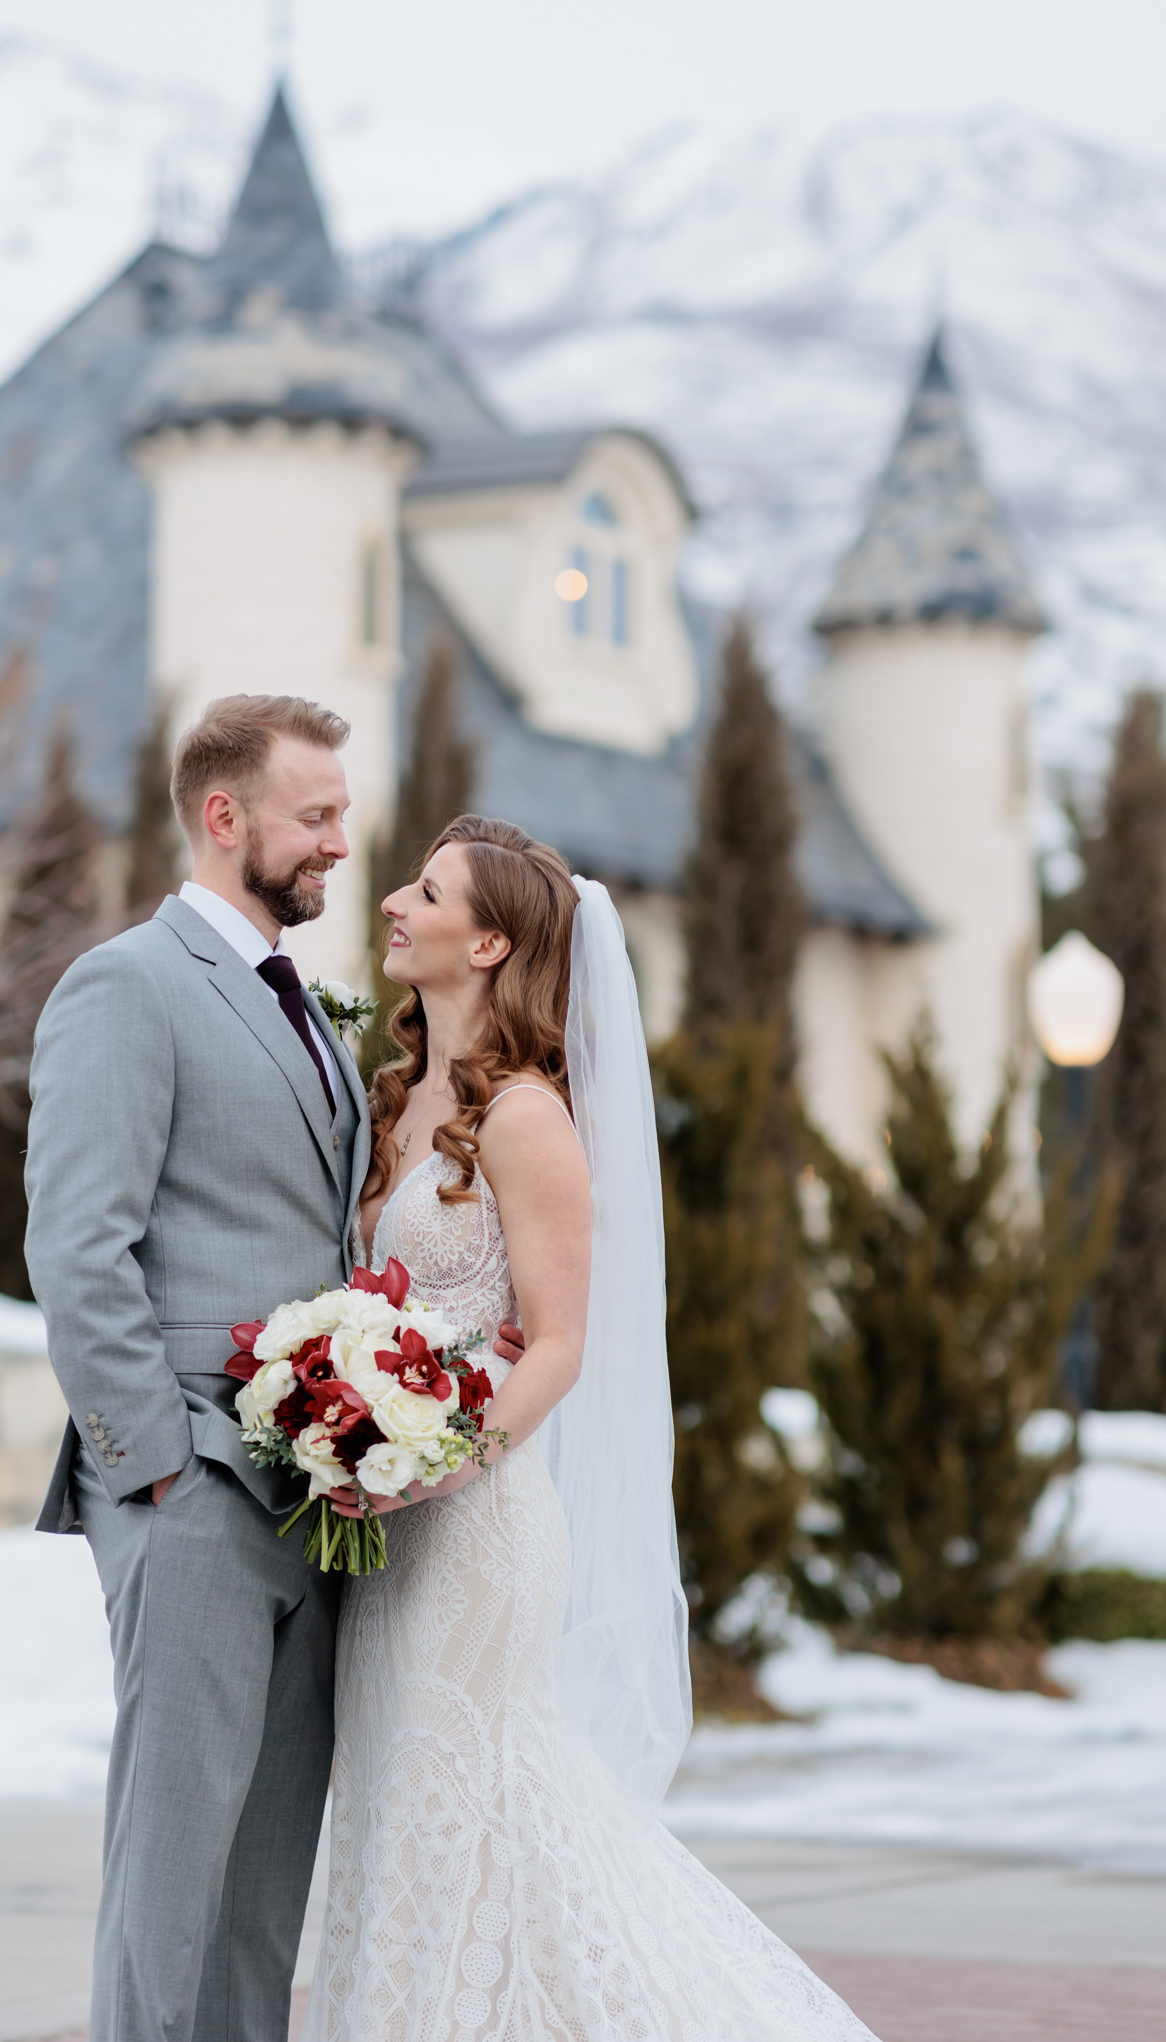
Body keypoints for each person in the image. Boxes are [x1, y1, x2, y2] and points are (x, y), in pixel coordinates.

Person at [303, 814, 879, 2041]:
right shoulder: (398, 1103)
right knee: (402, 1819)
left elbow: (558, 1345)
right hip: (385, 1522)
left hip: (474, 1528)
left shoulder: (526, 1120)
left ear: (494, 941)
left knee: (474, 1814)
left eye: (428, 890)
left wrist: (430, 1462)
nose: (394, 902)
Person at [24, 696, 525, 2042]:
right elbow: (79, 1251)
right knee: (173, 1873)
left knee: (262, 1893)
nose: (340, 846)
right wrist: (162, 1475)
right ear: (224, 816)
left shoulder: (305, 1007)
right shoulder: (125, 987)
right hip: (191, 1498)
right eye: (316, 818)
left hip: (313, 1508)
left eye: (344, 819)